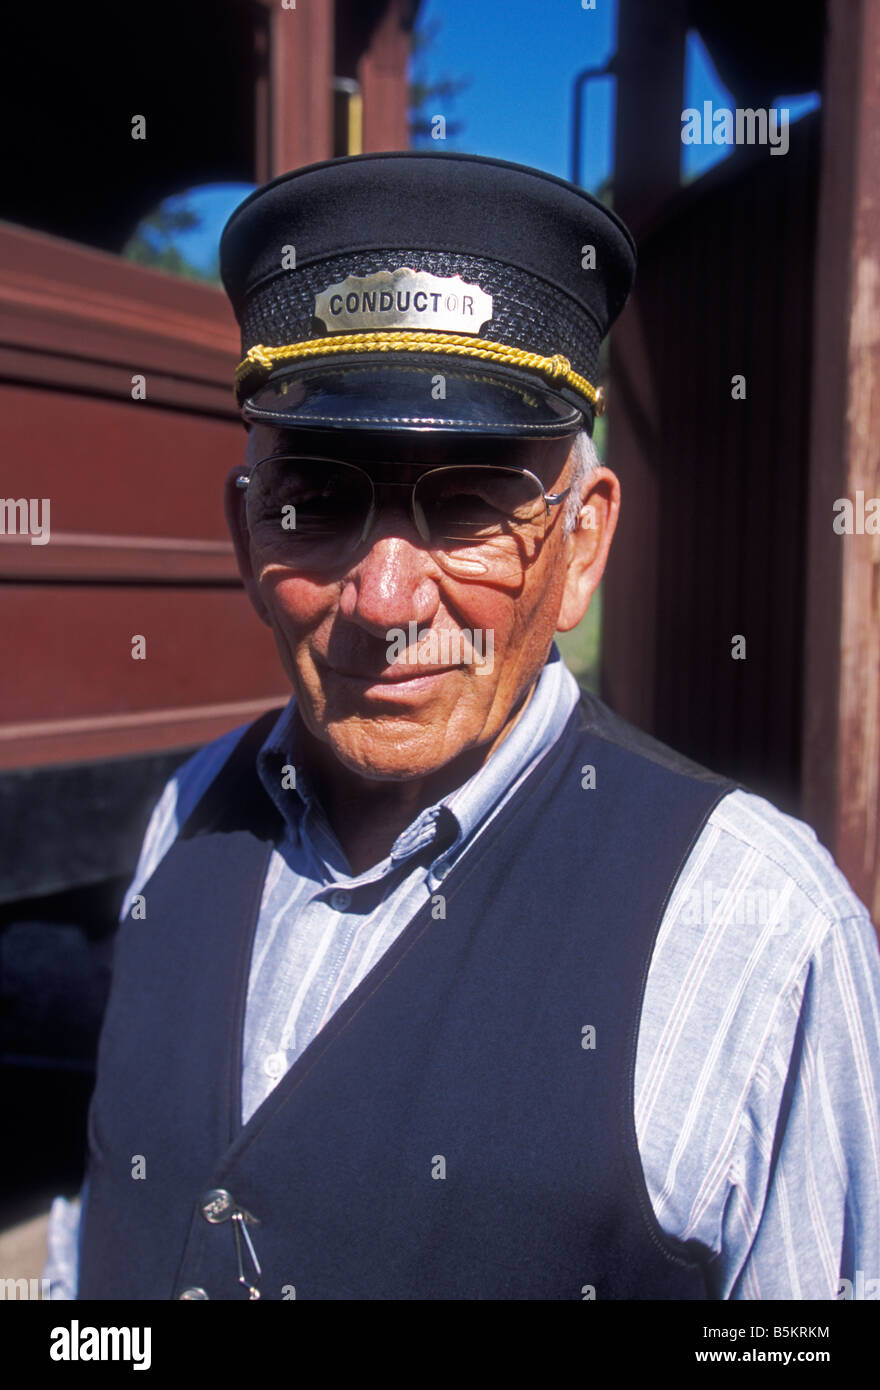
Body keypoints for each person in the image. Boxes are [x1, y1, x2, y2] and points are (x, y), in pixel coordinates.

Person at [46, 151, 880, 1300]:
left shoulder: (761, 936)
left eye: (472, 501)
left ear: (582, 543)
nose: (386, 600)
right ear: (247, 536)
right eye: (321, 499)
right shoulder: (183, 818)